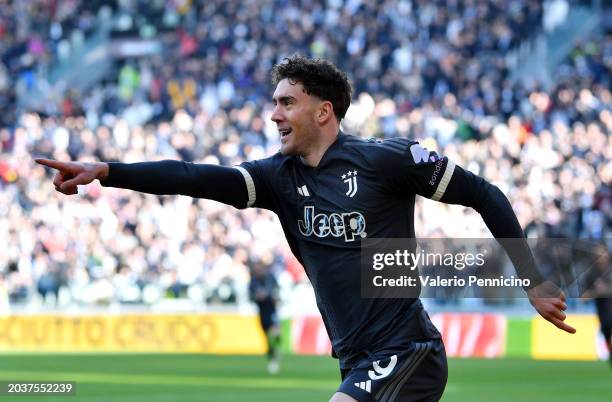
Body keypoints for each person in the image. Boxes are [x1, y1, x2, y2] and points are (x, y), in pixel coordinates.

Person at [35, 55, 576, 402]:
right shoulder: (276, 178)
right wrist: (108, 171)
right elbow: (194, 178)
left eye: (286, 102)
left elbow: (485, 195)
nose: (274, 114)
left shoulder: (385, 161)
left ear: (324, 111)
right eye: (273, 102)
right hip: (356, 359)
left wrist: (530, 279)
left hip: (408, 352)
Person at [249, 256, 282, 374]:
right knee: (267, 339)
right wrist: (257, 297)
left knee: (274, 333)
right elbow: (251, 296)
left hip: (272, 310)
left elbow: (277, 290)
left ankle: (276, 353)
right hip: (262, 313)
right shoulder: (253, 281)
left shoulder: (270, 278)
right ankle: (272, 358)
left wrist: (274, 296)